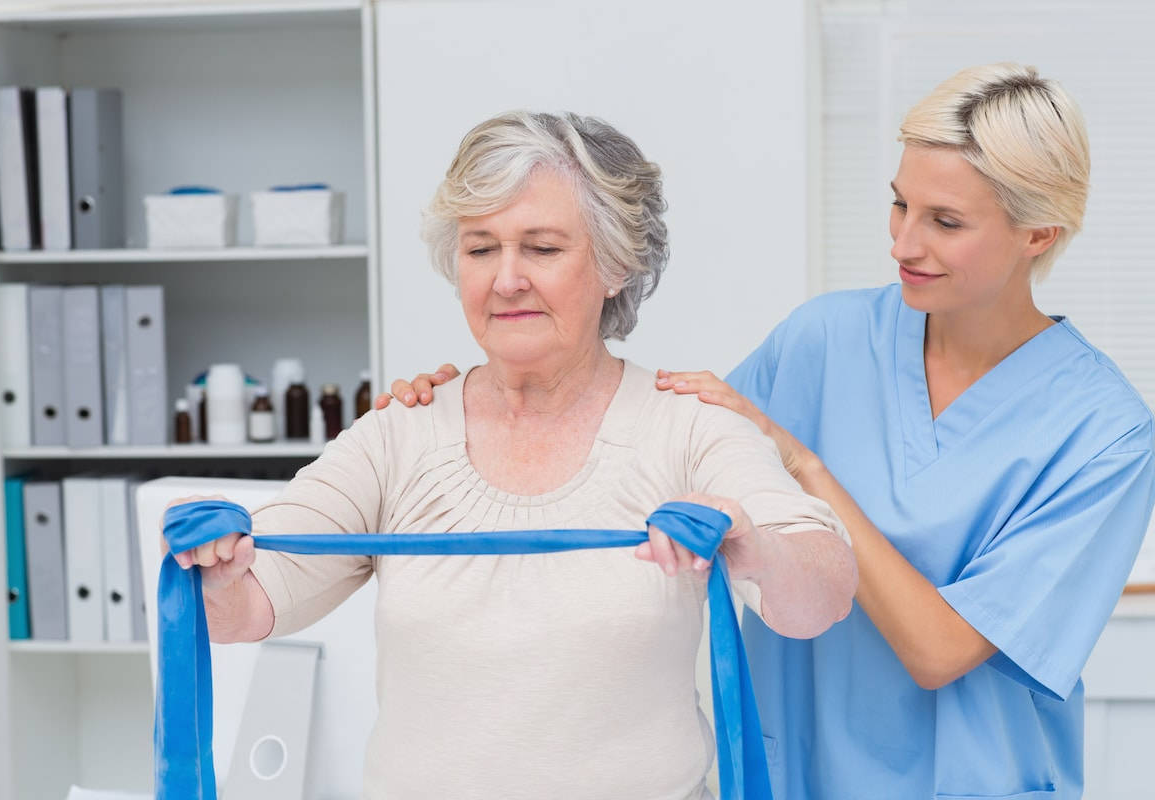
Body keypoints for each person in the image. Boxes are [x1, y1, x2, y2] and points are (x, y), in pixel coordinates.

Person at [379, 64, 1155, 799]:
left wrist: (803, 465)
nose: (903, 244)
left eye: (945, 222)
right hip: (789, 774)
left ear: (1039, 234)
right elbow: (643, 468)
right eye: (899, 205)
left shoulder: (1103, 434)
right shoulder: (825, 338)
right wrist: (485, 405)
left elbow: (940, 650)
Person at [167, 110, 857, 799]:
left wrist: (750, 541)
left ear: (616, 264)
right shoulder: (399, 433)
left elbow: (819, 598)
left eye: (543, 248)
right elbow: (247, 610)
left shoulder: (687, 427)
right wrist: (221, 573)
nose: (506, 280)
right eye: (480, 248)